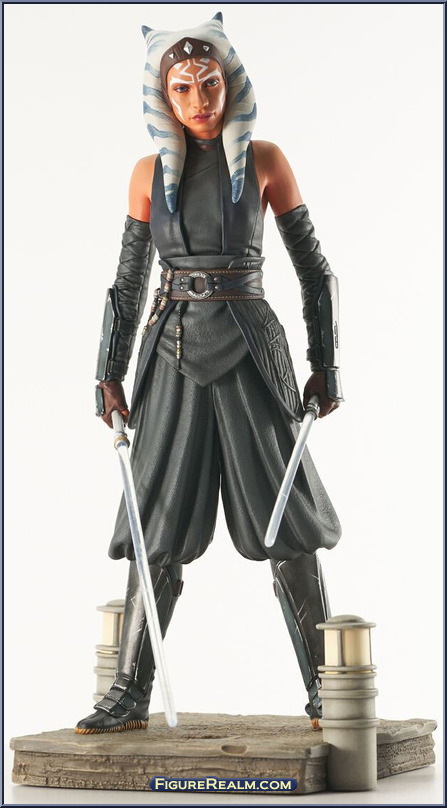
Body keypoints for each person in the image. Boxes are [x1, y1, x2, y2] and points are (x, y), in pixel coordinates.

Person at [76, 13, 343, 735]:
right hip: (169, 353)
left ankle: (328, 688)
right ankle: (129, 691)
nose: (199, 100)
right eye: (183, 87)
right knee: (155, 521)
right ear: (162, 95)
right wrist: (107, 373)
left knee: (285, 519)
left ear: (231, 83)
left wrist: (325, 365)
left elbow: (315, 272)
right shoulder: (146, 174)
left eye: (210, 83)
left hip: (252, 351)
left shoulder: (266, 160)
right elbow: (128, 283)